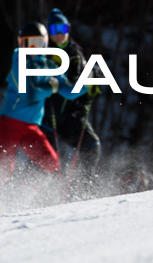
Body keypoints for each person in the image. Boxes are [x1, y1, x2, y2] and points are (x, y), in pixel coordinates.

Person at [0, 22, 88, 185]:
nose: (32, 48)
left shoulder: (48, 66)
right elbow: (28, 94)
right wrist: (50, 87)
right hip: (9, 124)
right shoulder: (19, 59)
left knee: (49, 162)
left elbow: (68, 91)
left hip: (31, 128)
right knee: (4, 168)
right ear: (21, 44)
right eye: (28, 43)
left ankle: (22, 195)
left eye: (37, 43)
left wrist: (86, 83)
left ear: (45, 43)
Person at [41, 8, 101, 176]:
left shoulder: (76, 54)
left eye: (63, 29)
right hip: (46, 116)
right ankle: (41, 194)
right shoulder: (44, 54)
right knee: (48, 161)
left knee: (92, 146)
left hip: (70, 115)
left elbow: (81, 84)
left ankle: (82, 187)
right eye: (54, 30)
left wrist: (89, 90)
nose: (59, 34)